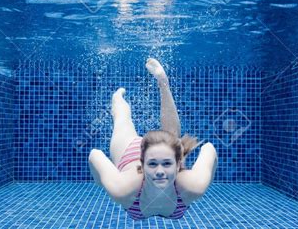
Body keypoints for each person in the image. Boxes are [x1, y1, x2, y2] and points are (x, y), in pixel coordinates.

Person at [88, 58, 218, 220]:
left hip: (163, 158)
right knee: (122, 119)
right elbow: (95, 154)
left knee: (172, 140)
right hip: (130, 153)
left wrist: (206, 178)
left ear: (178, 164)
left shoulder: (194, 186)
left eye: (167, 164)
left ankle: (163, 82)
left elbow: (209, 149)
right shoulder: (121, 187)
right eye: (152, 164)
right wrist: (103, 181)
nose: (160, 171)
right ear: (142, 164)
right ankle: (118, 99)